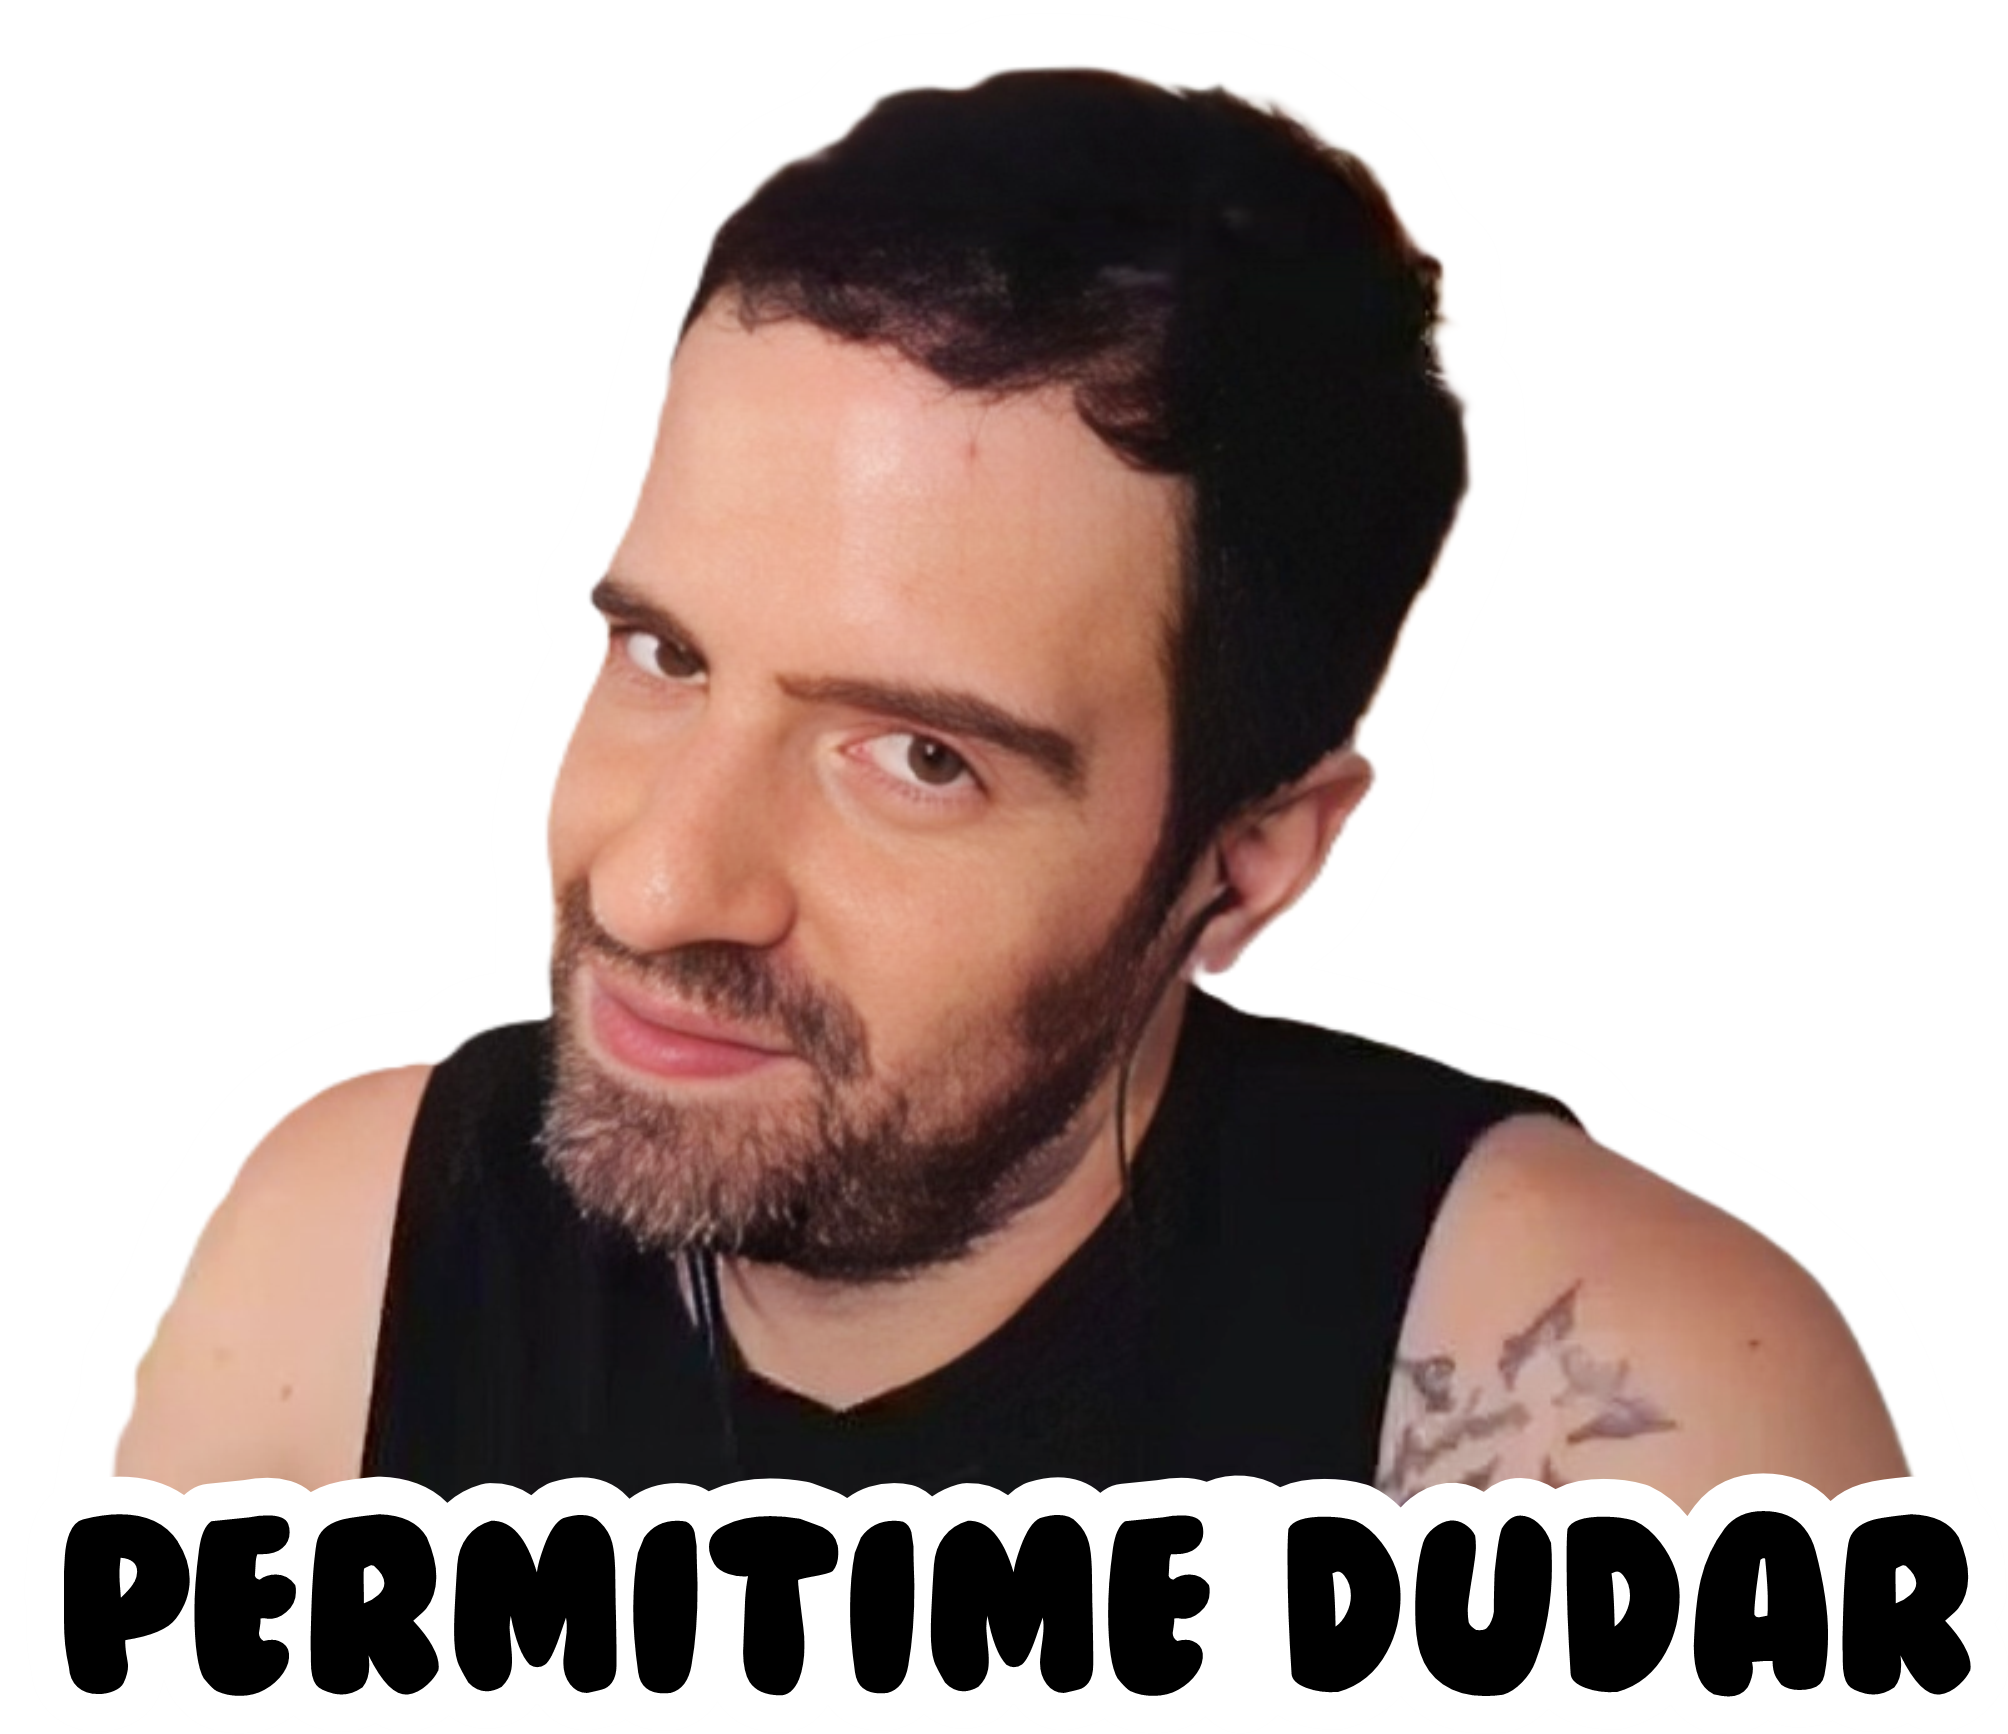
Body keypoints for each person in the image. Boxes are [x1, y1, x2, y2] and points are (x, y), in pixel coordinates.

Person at [117, 69, 1904, 1506]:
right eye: (667, 655)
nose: (659, 883)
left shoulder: (1608, 1410)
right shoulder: (351, 1257)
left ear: (1248, 860)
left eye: (919, 757)